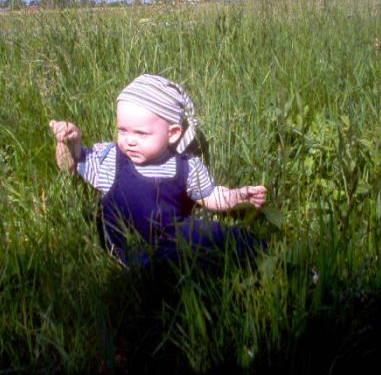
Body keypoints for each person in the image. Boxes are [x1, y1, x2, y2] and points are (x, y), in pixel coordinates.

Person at [49, 74, 267, 268]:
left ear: (172, 133)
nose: (129, 140)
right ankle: (155, 270)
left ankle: (266, 256)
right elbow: (71, 166)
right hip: (126, 245)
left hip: (172, 236)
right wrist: (69, 145)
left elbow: (210, 196)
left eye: (141, 133)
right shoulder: (112, 159)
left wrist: (237, 196)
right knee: (166, 264)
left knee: (219, 235)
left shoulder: (186, 167)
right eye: (123, 130)